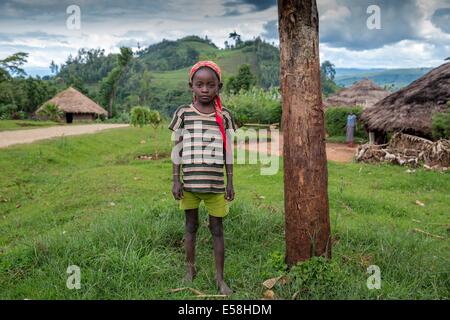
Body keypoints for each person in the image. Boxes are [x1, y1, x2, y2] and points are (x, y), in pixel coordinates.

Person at [168, 61, 237, 296]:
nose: (205, 89)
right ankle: (190, 270)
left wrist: (230, 182)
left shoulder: (224, 116)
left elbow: (228, 151)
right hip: (189, 186)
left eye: (210, 85)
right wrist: (176, 180)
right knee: (190, 227)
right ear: (191, 86)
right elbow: (177, 149)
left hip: (216, 186)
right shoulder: (183, 113)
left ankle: (220, 278)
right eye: (200, 85)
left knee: (217, 229)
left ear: (219, 86)